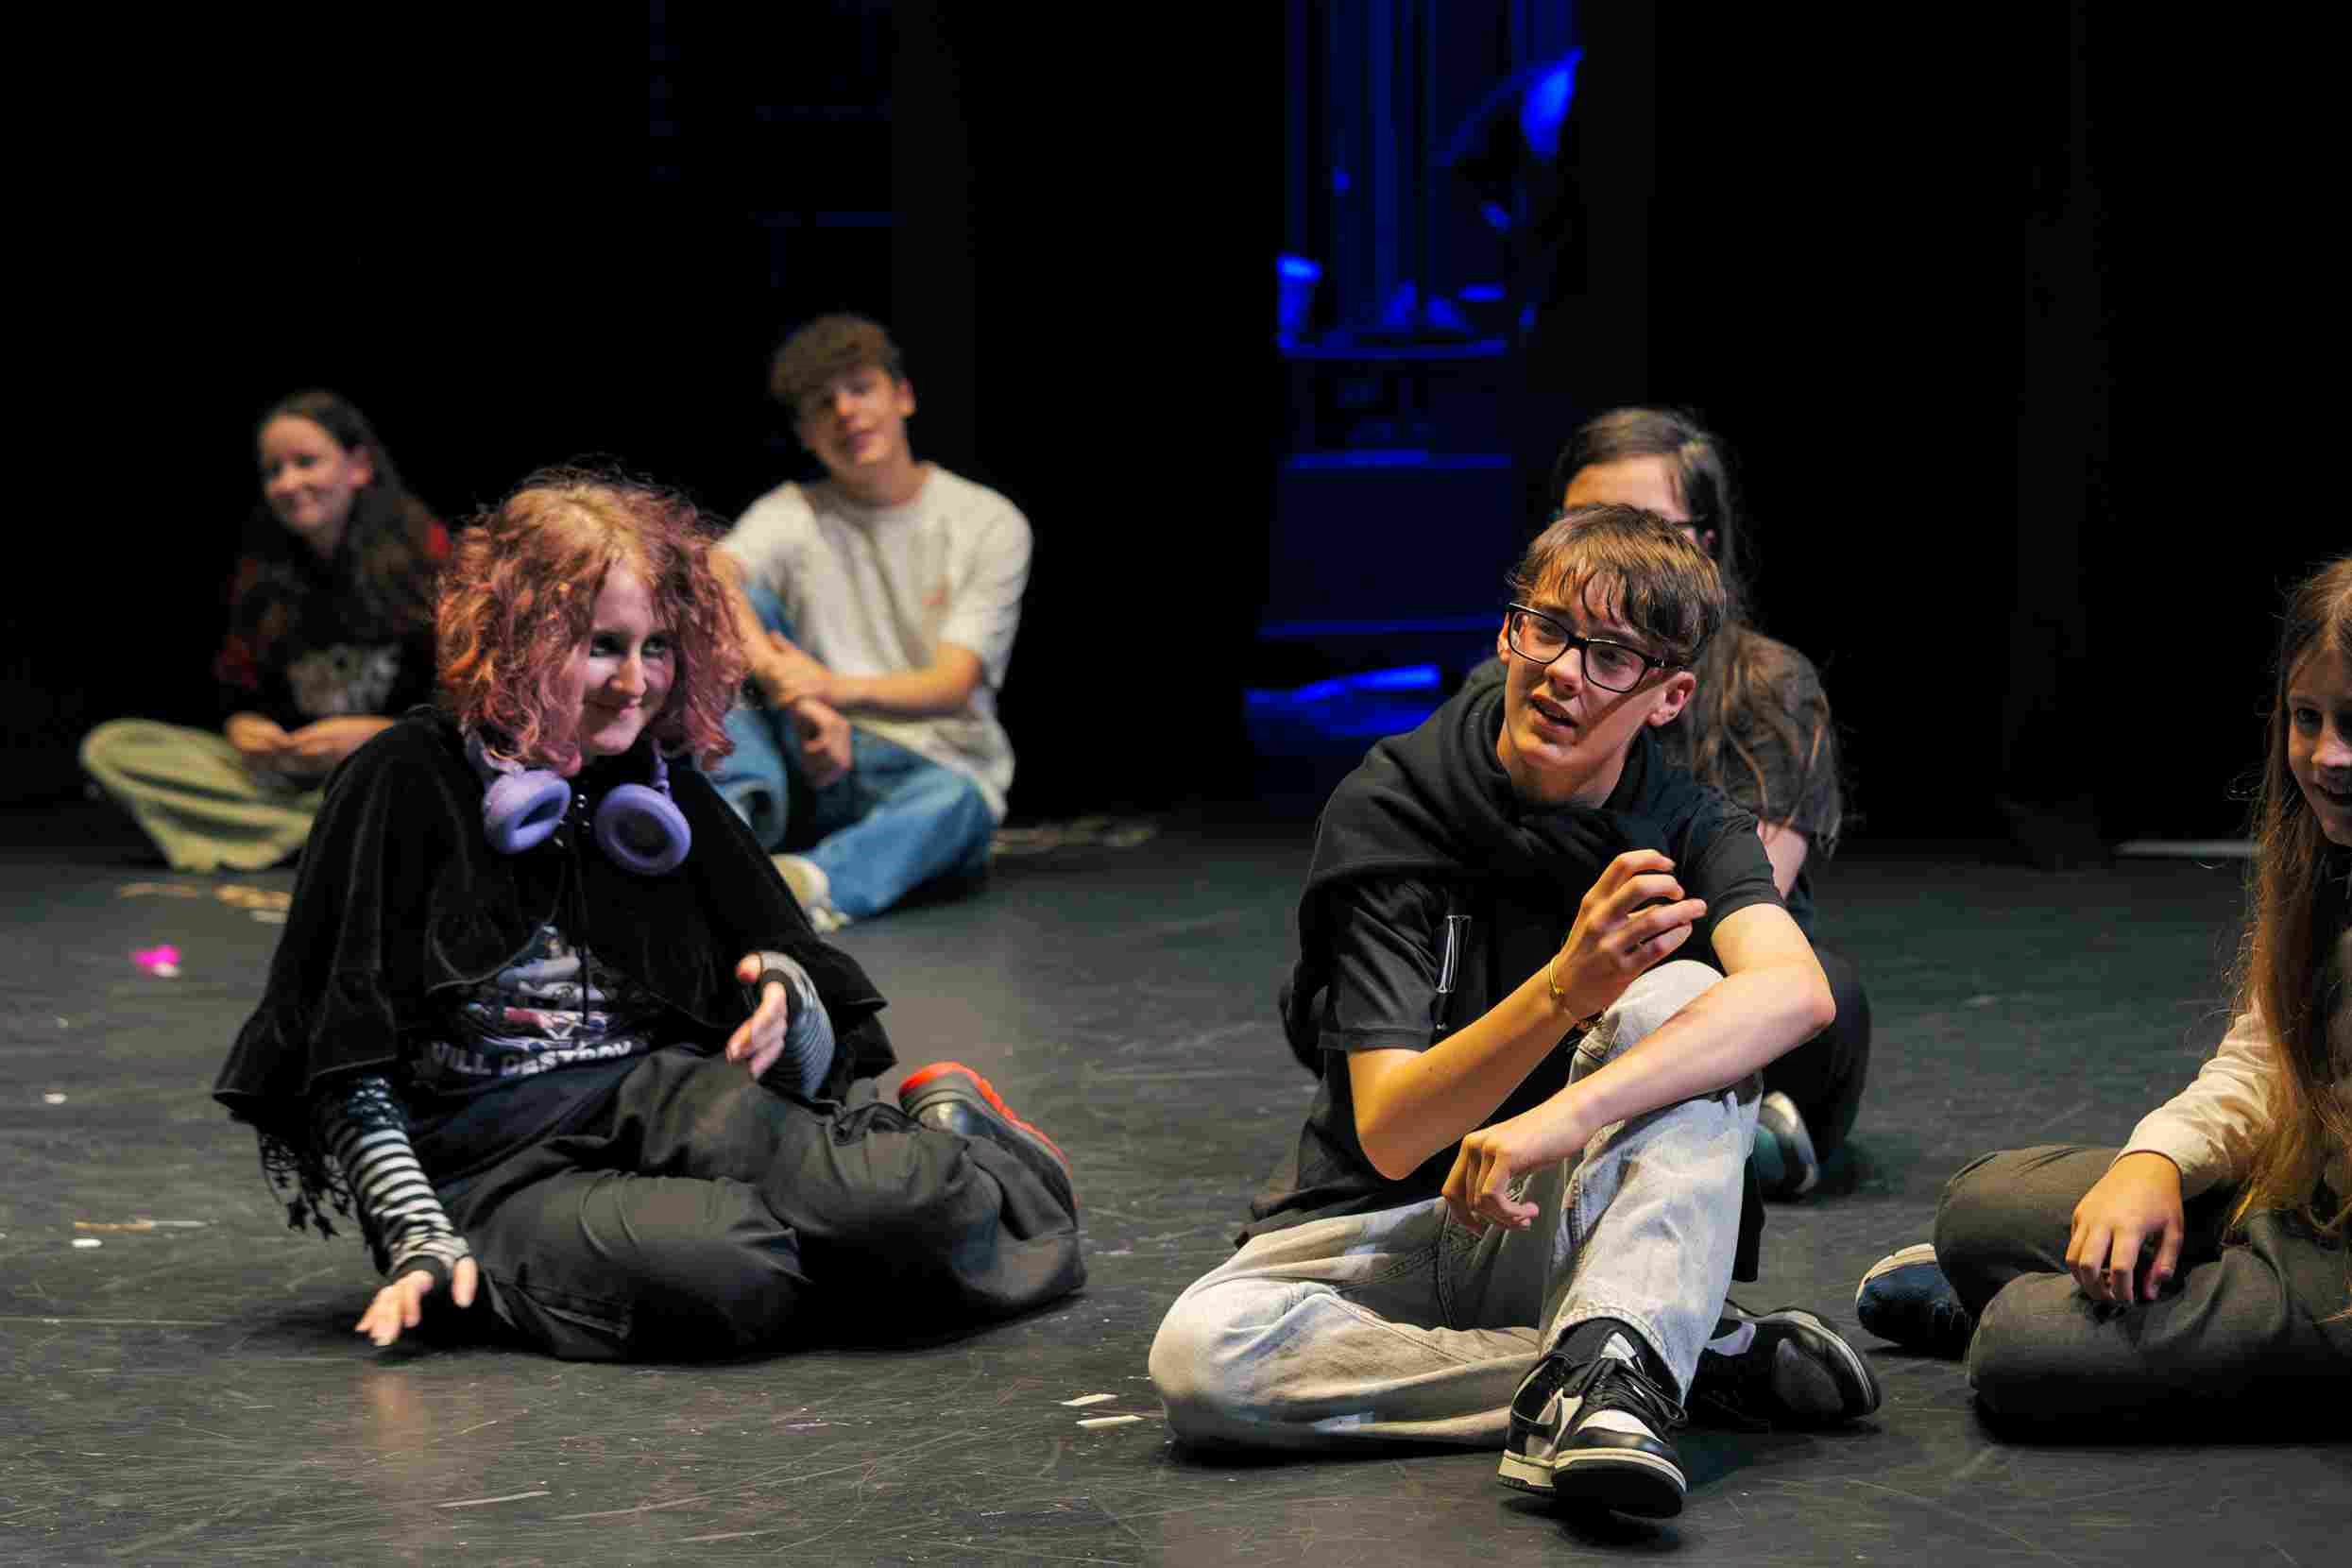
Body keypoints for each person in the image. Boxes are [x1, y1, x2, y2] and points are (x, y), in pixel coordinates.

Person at [213, 470, 1082, 1361]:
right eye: (602, 646)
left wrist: (786, 1002)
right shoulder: (401, 782)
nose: (635, 683)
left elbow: (808, 1020)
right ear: (514, 636)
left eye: (658, 647)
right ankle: (786, 1252)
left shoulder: (659, 788)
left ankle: (972, 1153)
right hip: (498, 1159)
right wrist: (417, 1236)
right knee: (734, 1275)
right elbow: (343, 1053)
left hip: (664, 1093)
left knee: (898, 1205)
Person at [1150, 507, 1878, 1519]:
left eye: (1612, 655)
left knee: (1687, 997)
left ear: (1670, 695)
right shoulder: (1398, 803)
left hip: (1564, 1216)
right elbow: (1395, 1131)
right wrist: (1563, 991)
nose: (1565, 671)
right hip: (1386, 1226)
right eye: (1548, 629)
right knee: (1204, 1359)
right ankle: (1647, 1361)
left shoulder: (1689, 825)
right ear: (1508, 634)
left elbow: (1797, 991)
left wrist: (1563, 1117)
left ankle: (1621, 1349)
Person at [1854, 555, 2352, 1417]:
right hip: (2308, 1194)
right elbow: (2266, 1064)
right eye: (2308, 718)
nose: (2328, 756)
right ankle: (2145, 1306)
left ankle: (2087, 1325)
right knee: (1983, 1210)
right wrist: (2153, 1160)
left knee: (2019, 1348)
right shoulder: (2327, 860)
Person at [1547, 407, 1864, 1198]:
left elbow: (1743, 904)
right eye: (1591, 525)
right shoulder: (1530, 678)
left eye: (1647, 528)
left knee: (1825, 992)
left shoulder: (1764, 687)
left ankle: (1711, 1143)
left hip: (1708, 993)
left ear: (1704, 547)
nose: (1617, 557)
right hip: (1554, 984)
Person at [707, 314, 1032, 929]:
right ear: (805, 432)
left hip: (929, 763)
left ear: (902, 396)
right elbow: (715, 573)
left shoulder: (987, 522)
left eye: (860, 389)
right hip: (811, 751)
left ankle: (804, 884)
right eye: (823, 404)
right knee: (731, 611)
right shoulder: (793, 513)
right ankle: (729, 846)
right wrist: (795, 694)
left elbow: (952, 682)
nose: (847, 413)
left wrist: (829, 688)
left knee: (961, 804)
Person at [81, 390, 447, 871]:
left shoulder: (428, 558)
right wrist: (245, 729)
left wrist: (380, 735)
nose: (288, 483)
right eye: (274, 470)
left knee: (434, 775)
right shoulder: (266, 574)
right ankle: (321, 834)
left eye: (306, 462)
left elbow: (469, 711)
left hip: (386, 770)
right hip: (295, 783)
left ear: (358, 467)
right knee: (115, 749)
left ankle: (277, 832)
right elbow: (240, 695)